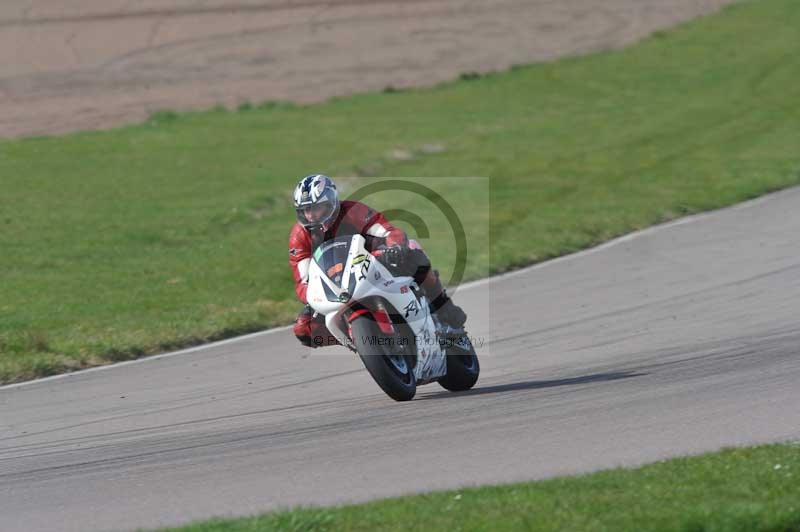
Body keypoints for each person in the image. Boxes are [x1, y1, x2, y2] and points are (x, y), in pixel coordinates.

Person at [289, 174, 466, 348]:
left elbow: (388, 231)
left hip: (373, 259)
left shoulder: (352, 211)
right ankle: (359, 340)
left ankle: (444, 307)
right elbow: (303, 281)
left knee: (413, 252)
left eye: (316, 208)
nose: (311, 215)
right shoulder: (299, 236)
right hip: (335, 283)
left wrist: (394, 247)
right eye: (306, 210)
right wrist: (314, 297)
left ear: (331, 202)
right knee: (303, 328)